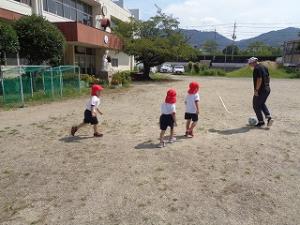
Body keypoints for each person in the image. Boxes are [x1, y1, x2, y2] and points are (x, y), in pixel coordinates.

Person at [248, 57, 274, 128]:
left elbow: (259, 79)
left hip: (260, 90)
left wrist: (256, 90)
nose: (250, 65)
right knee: (261, 103)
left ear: (254, 62)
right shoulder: (264, 67)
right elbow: (268, 77)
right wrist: (266, 85)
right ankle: (269, 117)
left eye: (250, 64)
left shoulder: (256, 68)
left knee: (255, 105)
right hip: (267, 89)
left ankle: (261, 122)